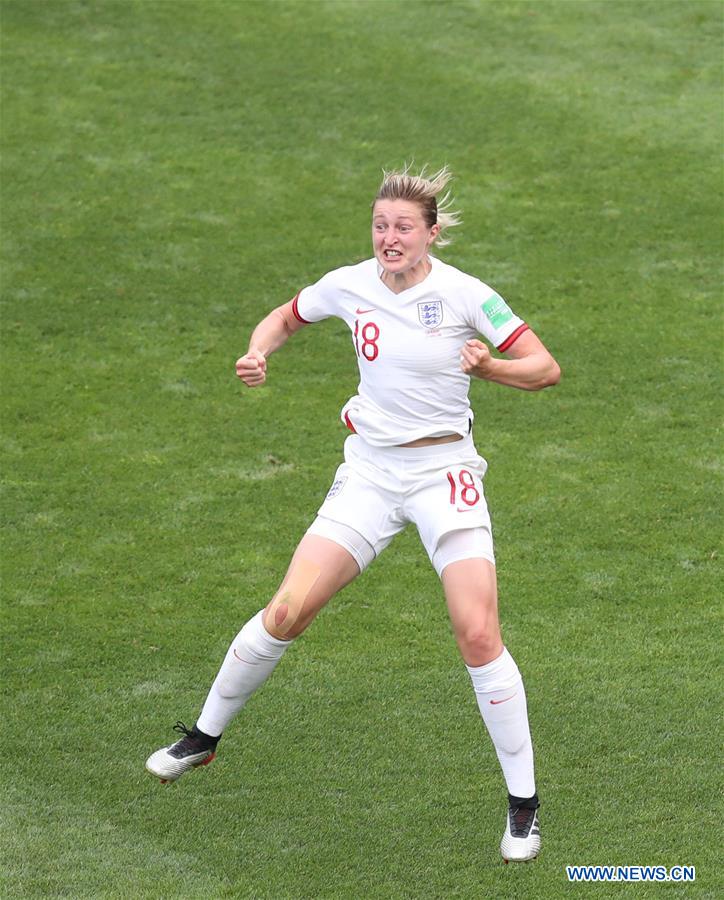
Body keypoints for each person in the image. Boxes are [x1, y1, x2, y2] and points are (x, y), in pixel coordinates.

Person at [146, 166, 560, 863]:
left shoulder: (466, 295)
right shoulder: (349, 283)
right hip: (369, 471)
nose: (389, 238)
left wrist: (489, 369)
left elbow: (544, 368)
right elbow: (284, 317)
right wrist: (257, 351)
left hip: (443, 473)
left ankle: (524, 809)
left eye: (403, 227)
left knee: (476, 630)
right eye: (380, 225)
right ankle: (203, 739)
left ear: (430, 233)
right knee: (287, 611)